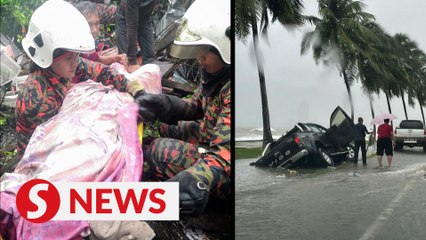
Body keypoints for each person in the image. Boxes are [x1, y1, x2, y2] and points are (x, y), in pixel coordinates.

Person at [15, 0, 144, 160]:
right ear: (47, 57)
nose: (75, 63)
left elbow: (101, 72)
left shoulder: (60, 68)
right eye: (69, 57)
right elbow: (53, 149)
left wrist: (135, 88)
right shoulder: (37, 101)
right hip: (39, 160)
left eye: (76, 56)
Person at [135, 0, 230, 216]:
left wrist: (196, 179)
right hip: (210, 131)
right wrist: (163, 104)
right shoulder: (216, 74)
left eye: (205, 53)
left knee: (157, 149)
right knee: (165, 129)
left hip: (222, 164)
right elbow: (196, 106)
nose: (200, 58)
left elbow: (224, 157)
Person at [74, 1, 127, 66]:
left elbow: (96, 59)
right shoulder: (72, 48)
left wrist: (118, 58)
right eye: (89, 24)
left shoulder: (88, 42)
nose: (95, 30)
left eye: (97, 23)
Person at [115, 0, 157, 73]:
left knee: (150, 57)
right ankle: (125, 82)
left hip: (144, 20)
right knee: (125, 60)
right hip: (125, 19)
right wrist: (132, 61)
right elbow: (132, 29)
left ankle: (147, 81)